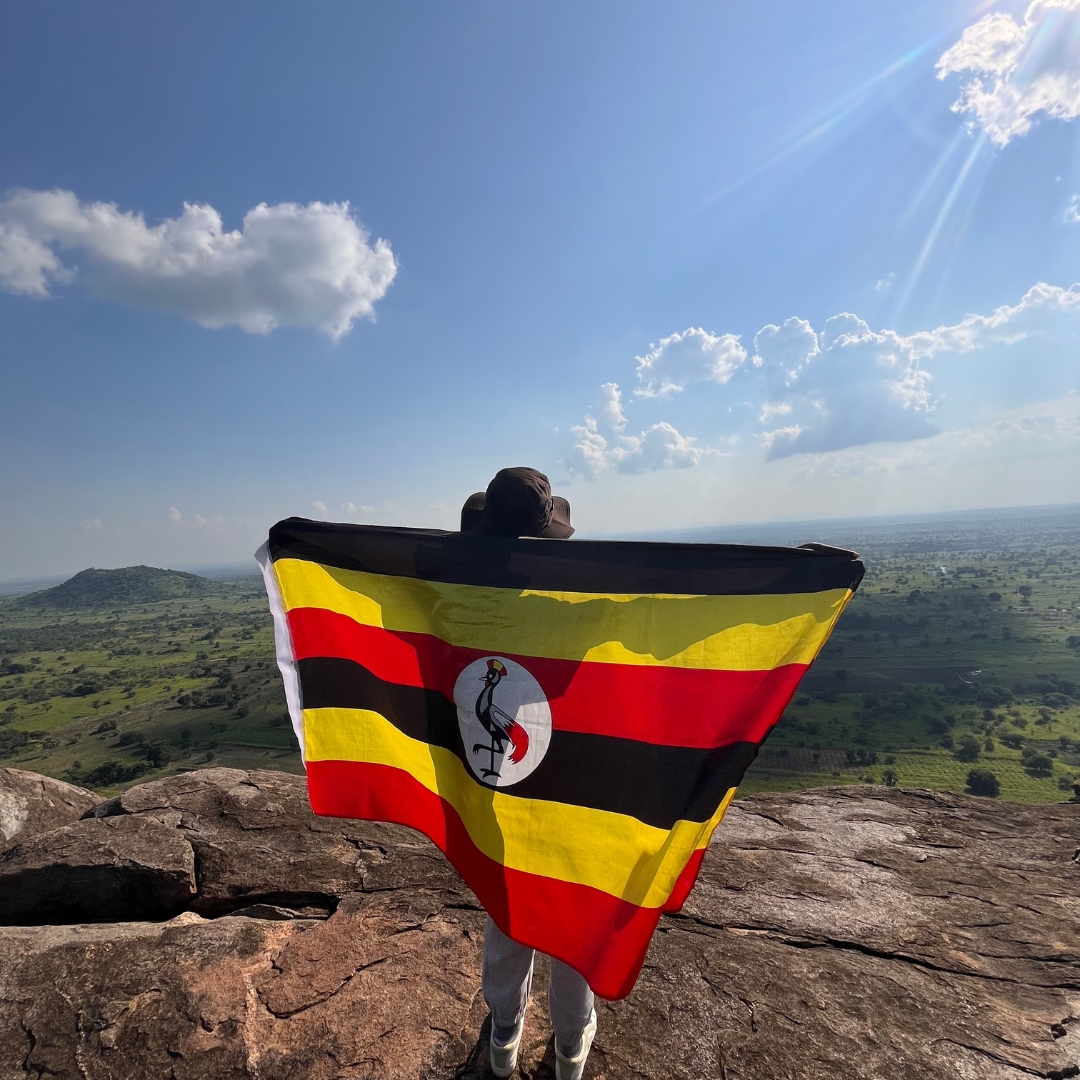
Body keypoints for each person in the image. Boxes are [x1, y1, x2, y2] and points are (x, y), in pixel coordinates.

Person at [460, 466, 596, 1080]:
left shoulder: (456, 611)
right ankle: (570, 1048)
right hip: (573, 795)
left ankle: (505, 1035)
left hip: (498, 793)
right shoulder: (575, 612)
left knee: (507, 912)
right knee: (573, 917)